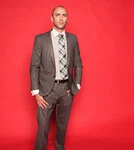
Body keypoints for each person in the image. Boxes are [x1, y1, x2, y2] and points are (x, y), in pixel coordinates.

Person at [30, 5, 83, 150]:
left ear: (67, 18)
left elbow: (78, 64)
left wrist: (75, 86)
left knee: (62, 125)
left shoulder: (72, 39)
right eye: (58, 15)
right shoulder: (40, 39)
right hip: (47, 91)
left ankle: (60, 147)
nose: (61, 18)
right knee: (43, 127)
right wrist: (36, 92)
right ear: (52, 18)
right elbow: (34, 66)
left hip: (66, 90)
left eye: (64, 15)